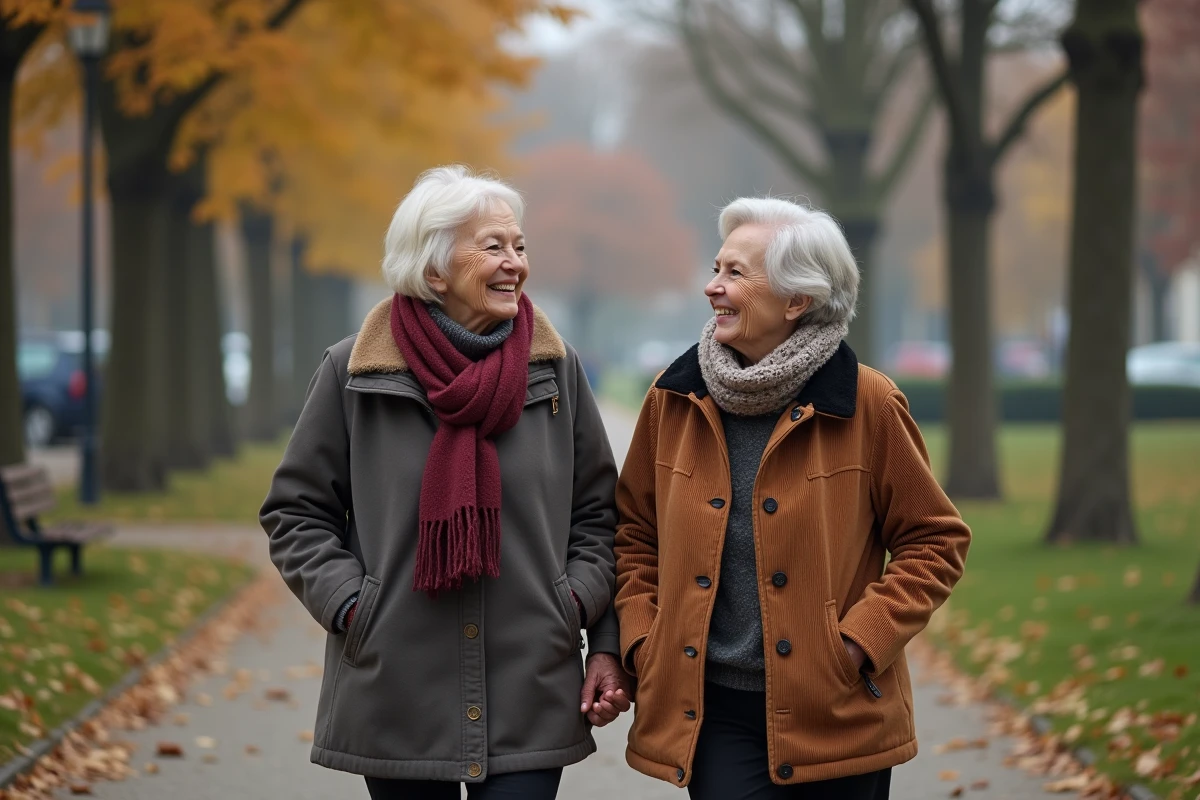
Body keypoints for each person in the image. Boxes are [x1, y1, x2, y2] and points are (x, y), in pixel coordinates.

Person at [261, 165, 630, 800]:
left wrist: (575, 605)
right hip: (397, 683)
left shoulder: (556, 369)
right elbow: (295, 513)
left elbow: (600, 515)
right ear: (434, 270)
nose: (515, 263)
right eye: (494, 247)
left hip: (530, 682)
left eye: (519, 247)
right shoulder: (355, 370)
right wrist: (354, 606)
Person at [614, 197, 971, 799]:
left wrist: (857, 645)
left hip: (838, 712)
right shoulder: (673, 399)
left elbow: (935, 539)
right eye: (716, 267)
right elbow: (633, 533)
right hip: (715, 712)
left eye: (735, 274)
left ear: (797, 300)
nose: (711, 287)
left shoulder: (869, 403)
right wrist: (646, 641)